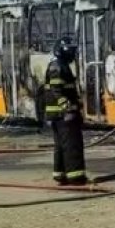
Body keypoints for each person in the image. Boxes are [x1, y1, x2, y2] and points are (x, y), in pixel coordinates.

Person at [43, 36, 87, 186]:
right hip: (64, 115)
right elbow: (57, 90)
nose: (73, 55)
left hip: (58, 115)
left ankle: (60, 174)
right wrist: (67, 109)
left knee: (61, 146)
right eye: (71, 51)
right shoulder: (58, 66)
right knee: (71, 146)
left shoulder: (58, 64)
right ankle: (76, 177)